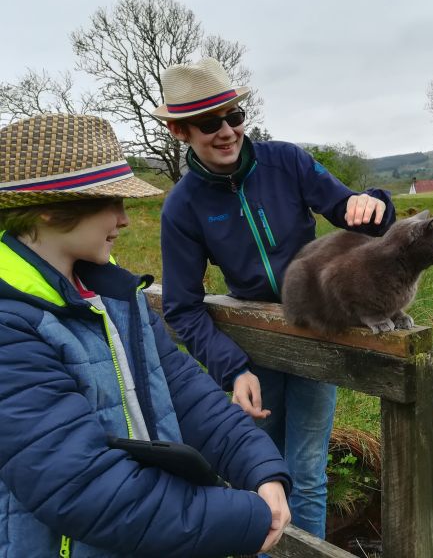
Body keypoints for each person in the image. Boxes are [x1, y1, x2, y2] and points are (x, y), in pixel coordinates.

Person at [0, 113, 292, 558]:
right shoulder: (10, 323)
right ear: (51, 207)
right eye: (110, 201)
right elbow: (81, 487)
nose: (124, 219)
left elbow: (180, 387)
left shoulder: (111, 290)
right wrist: (246, 517)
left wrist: (259, 465)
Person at [154, 57, 396, 539]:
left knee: (307, 471)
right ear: (182, 132)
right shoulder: (182, 206)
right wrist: (232, 367)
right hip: (254, 354)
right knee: (261, 475)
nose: (226, 131)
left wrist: (374, 204)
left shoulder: (287, 162)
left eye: (234, 117)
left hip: (314, 336)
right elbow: (182, 305)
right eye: (209, 122)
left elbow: (353, 212)